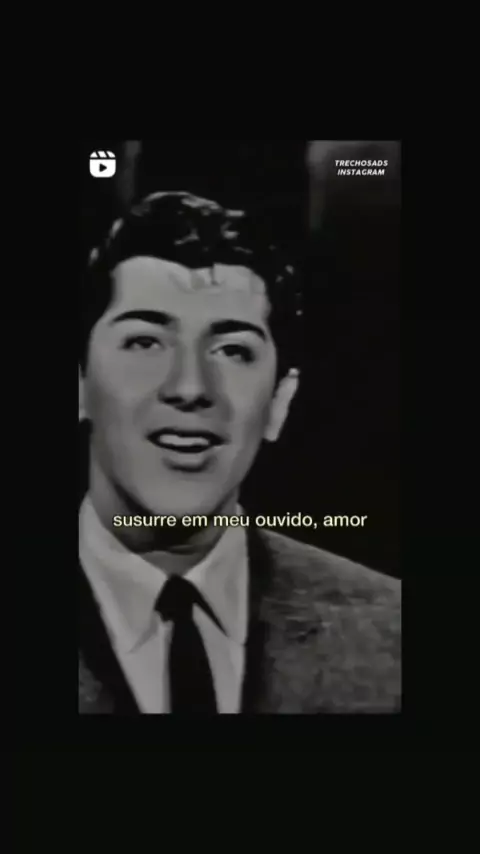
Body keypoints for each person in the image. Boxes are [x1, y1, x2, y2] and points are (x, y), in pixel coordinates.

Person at [78, 190, 401, 714]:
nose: (189, 387)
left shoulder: (392, 636)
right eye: (145, 342)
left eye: (232, 350)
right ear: (80, 385)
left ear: (279, 402)